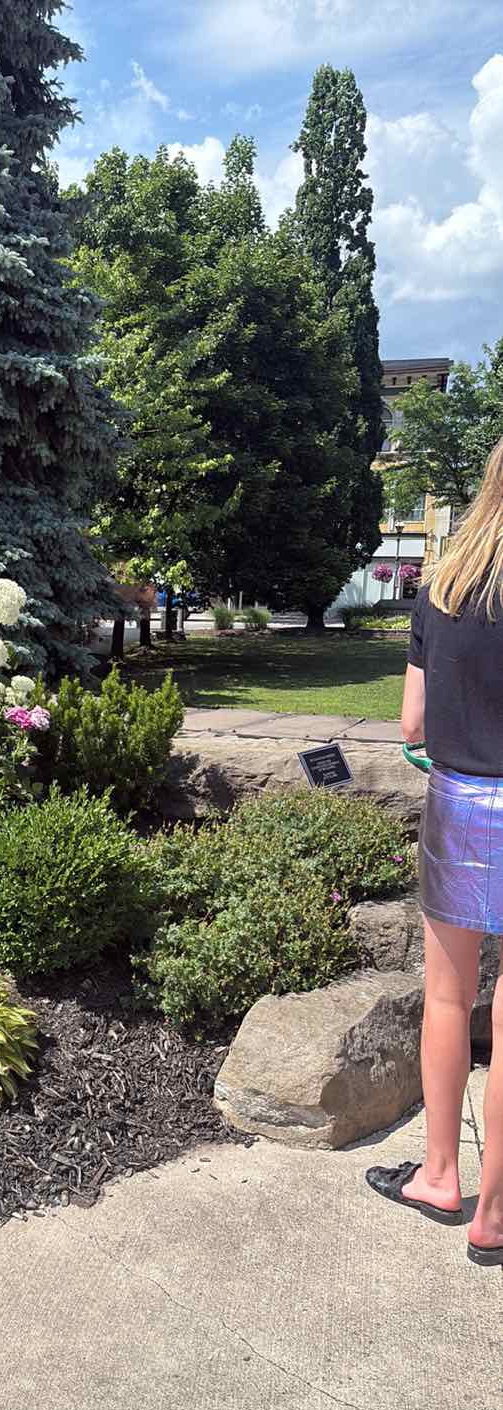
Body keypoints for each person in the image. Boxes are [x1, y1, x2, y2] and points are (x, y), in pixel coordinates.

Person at [366, 437, 503, 1266]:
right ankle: (496, 1216)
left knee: (449, 997)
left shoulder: (444, 586)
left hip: (462, 804)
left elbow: (412, 726)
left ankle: (441, 1175)